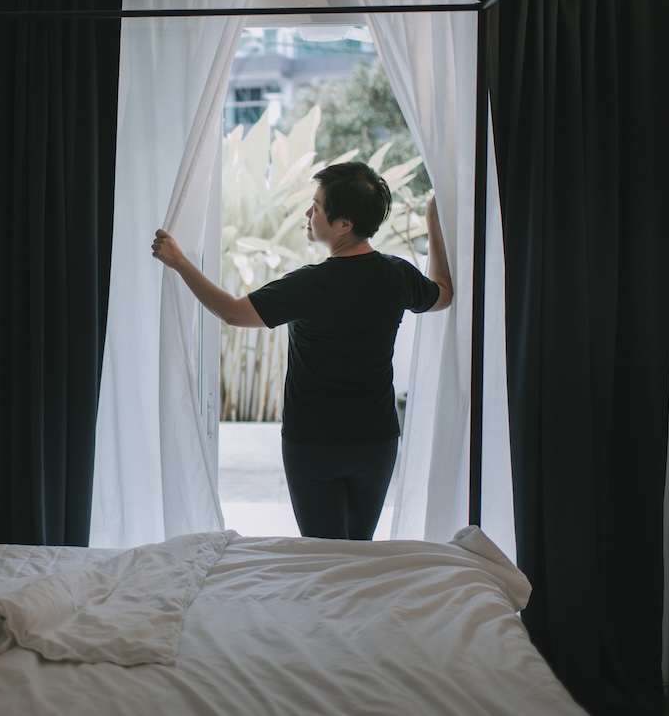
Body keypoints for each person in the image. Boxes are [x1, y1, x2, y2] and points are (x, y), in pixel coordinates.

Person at [151, 161, 453, 540]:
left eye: (317, 206)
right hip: (376, 441)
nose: (309, 214)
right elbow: (442, 293)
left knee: (323, 557)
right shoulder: (398, 274)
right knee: (359, 552)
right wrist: (434, 221)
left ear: (344, 223)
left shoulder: (309, 285)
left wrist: (179, 262)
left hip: (313, 443)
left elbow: (230, 311)